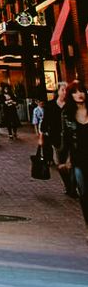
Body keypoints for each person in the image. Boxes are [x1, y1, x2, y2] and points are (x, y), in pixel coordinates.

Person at [59, 81, 88, 227]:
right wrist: (64, 160)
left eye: (81, 90)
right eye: (75, 92)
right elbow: (67, 139)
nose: (79, 94)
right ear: (71, 96)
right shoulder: (67, 114)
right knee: (84, 195)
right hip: (79, 160)